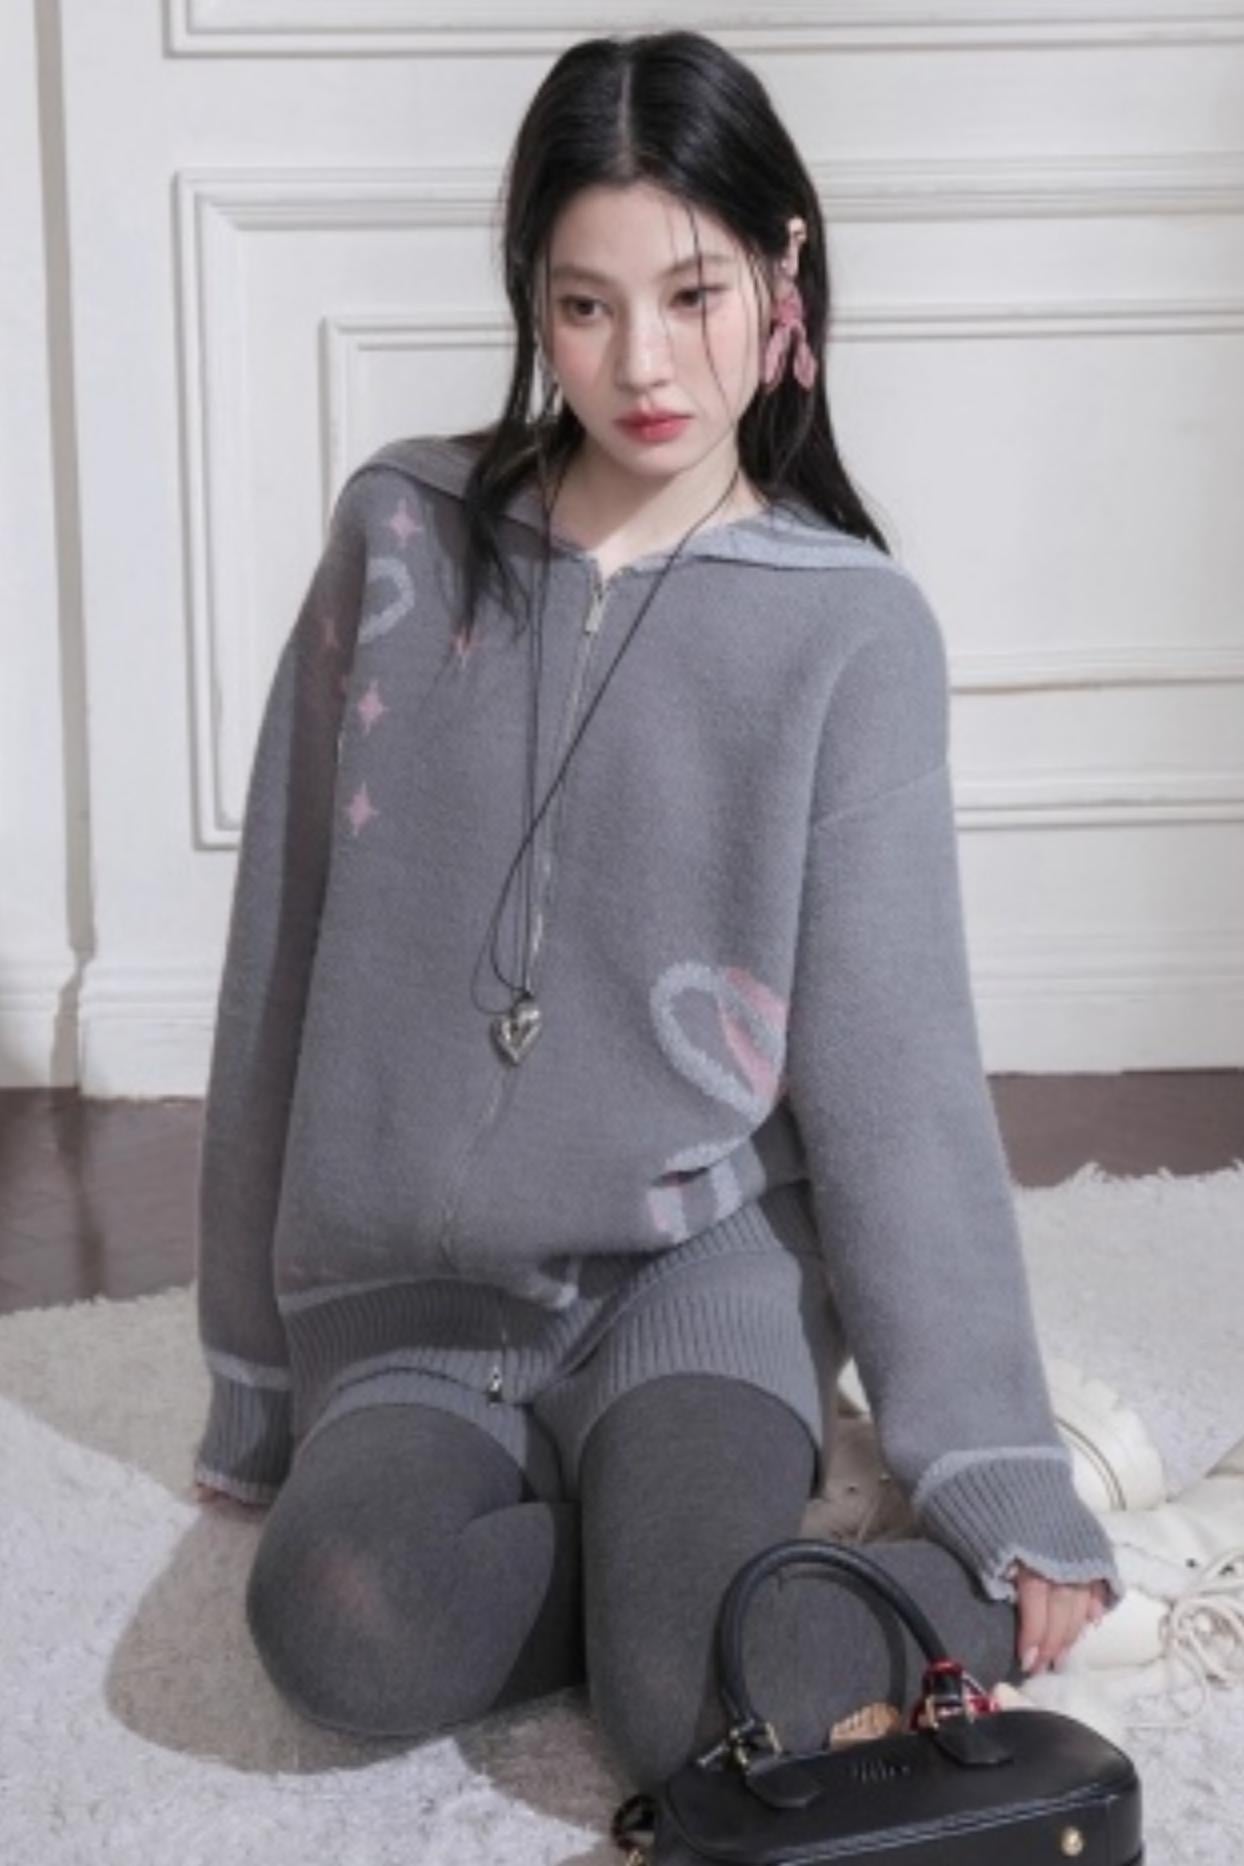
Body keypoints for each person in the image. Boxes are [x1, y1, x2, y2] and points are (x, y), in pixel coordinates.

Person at [190, 28, 1121, 1790]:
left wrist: (996, 1470)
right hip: (420, 1305)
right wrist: (252, 1373)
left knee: (690, 1707)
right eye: (585, 304)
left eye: (692, 294)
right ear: (530, 301)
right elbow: (278, 958)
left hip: (697, 1281)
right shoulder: (401, 538)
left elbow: (897, 1079)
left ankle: (772, 1588)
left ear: (783, 276)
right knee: (336, 1621)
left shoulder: (847, 632)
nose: (642, 363)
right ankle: (656, 1571)